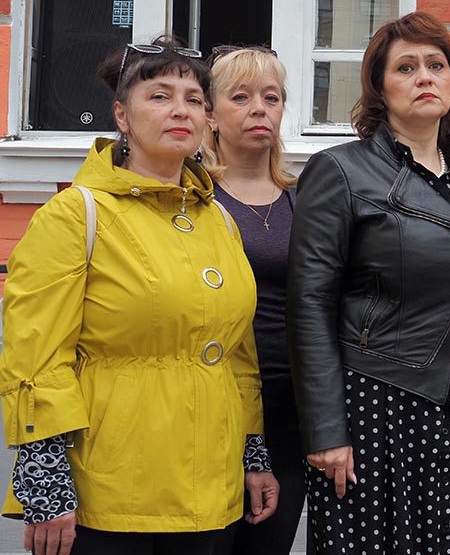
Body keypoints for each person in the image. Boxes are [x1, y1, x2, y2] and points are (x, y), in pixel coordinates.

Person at [0, 37, 278, 555]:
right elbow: (35, 357)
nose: (181, 110)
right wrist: (45, 478)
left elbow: (237, 355)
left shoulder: (218, 219)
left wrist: (253, 453)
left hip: (211, 491)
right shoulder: (75, 215)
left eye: (194, 100)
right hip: (109, 490)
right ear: (122, 116)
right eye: (160, 96)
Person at [287, 12, 450, 554]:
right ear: (379, 88)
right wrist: (325, 429)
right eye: (406, 68)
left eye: (436, 65)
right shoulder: (339, 172)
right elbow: (310, 304)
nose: (424, 78)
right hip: (375, 406)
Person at [201, 46, 304, 555]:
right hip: (215, 405)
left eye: (271, 97)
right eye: (240, 97)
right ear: (210, 114)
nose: (259, 108)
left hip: (290, 408)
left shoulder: (303, 197)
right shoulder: (193, 196)